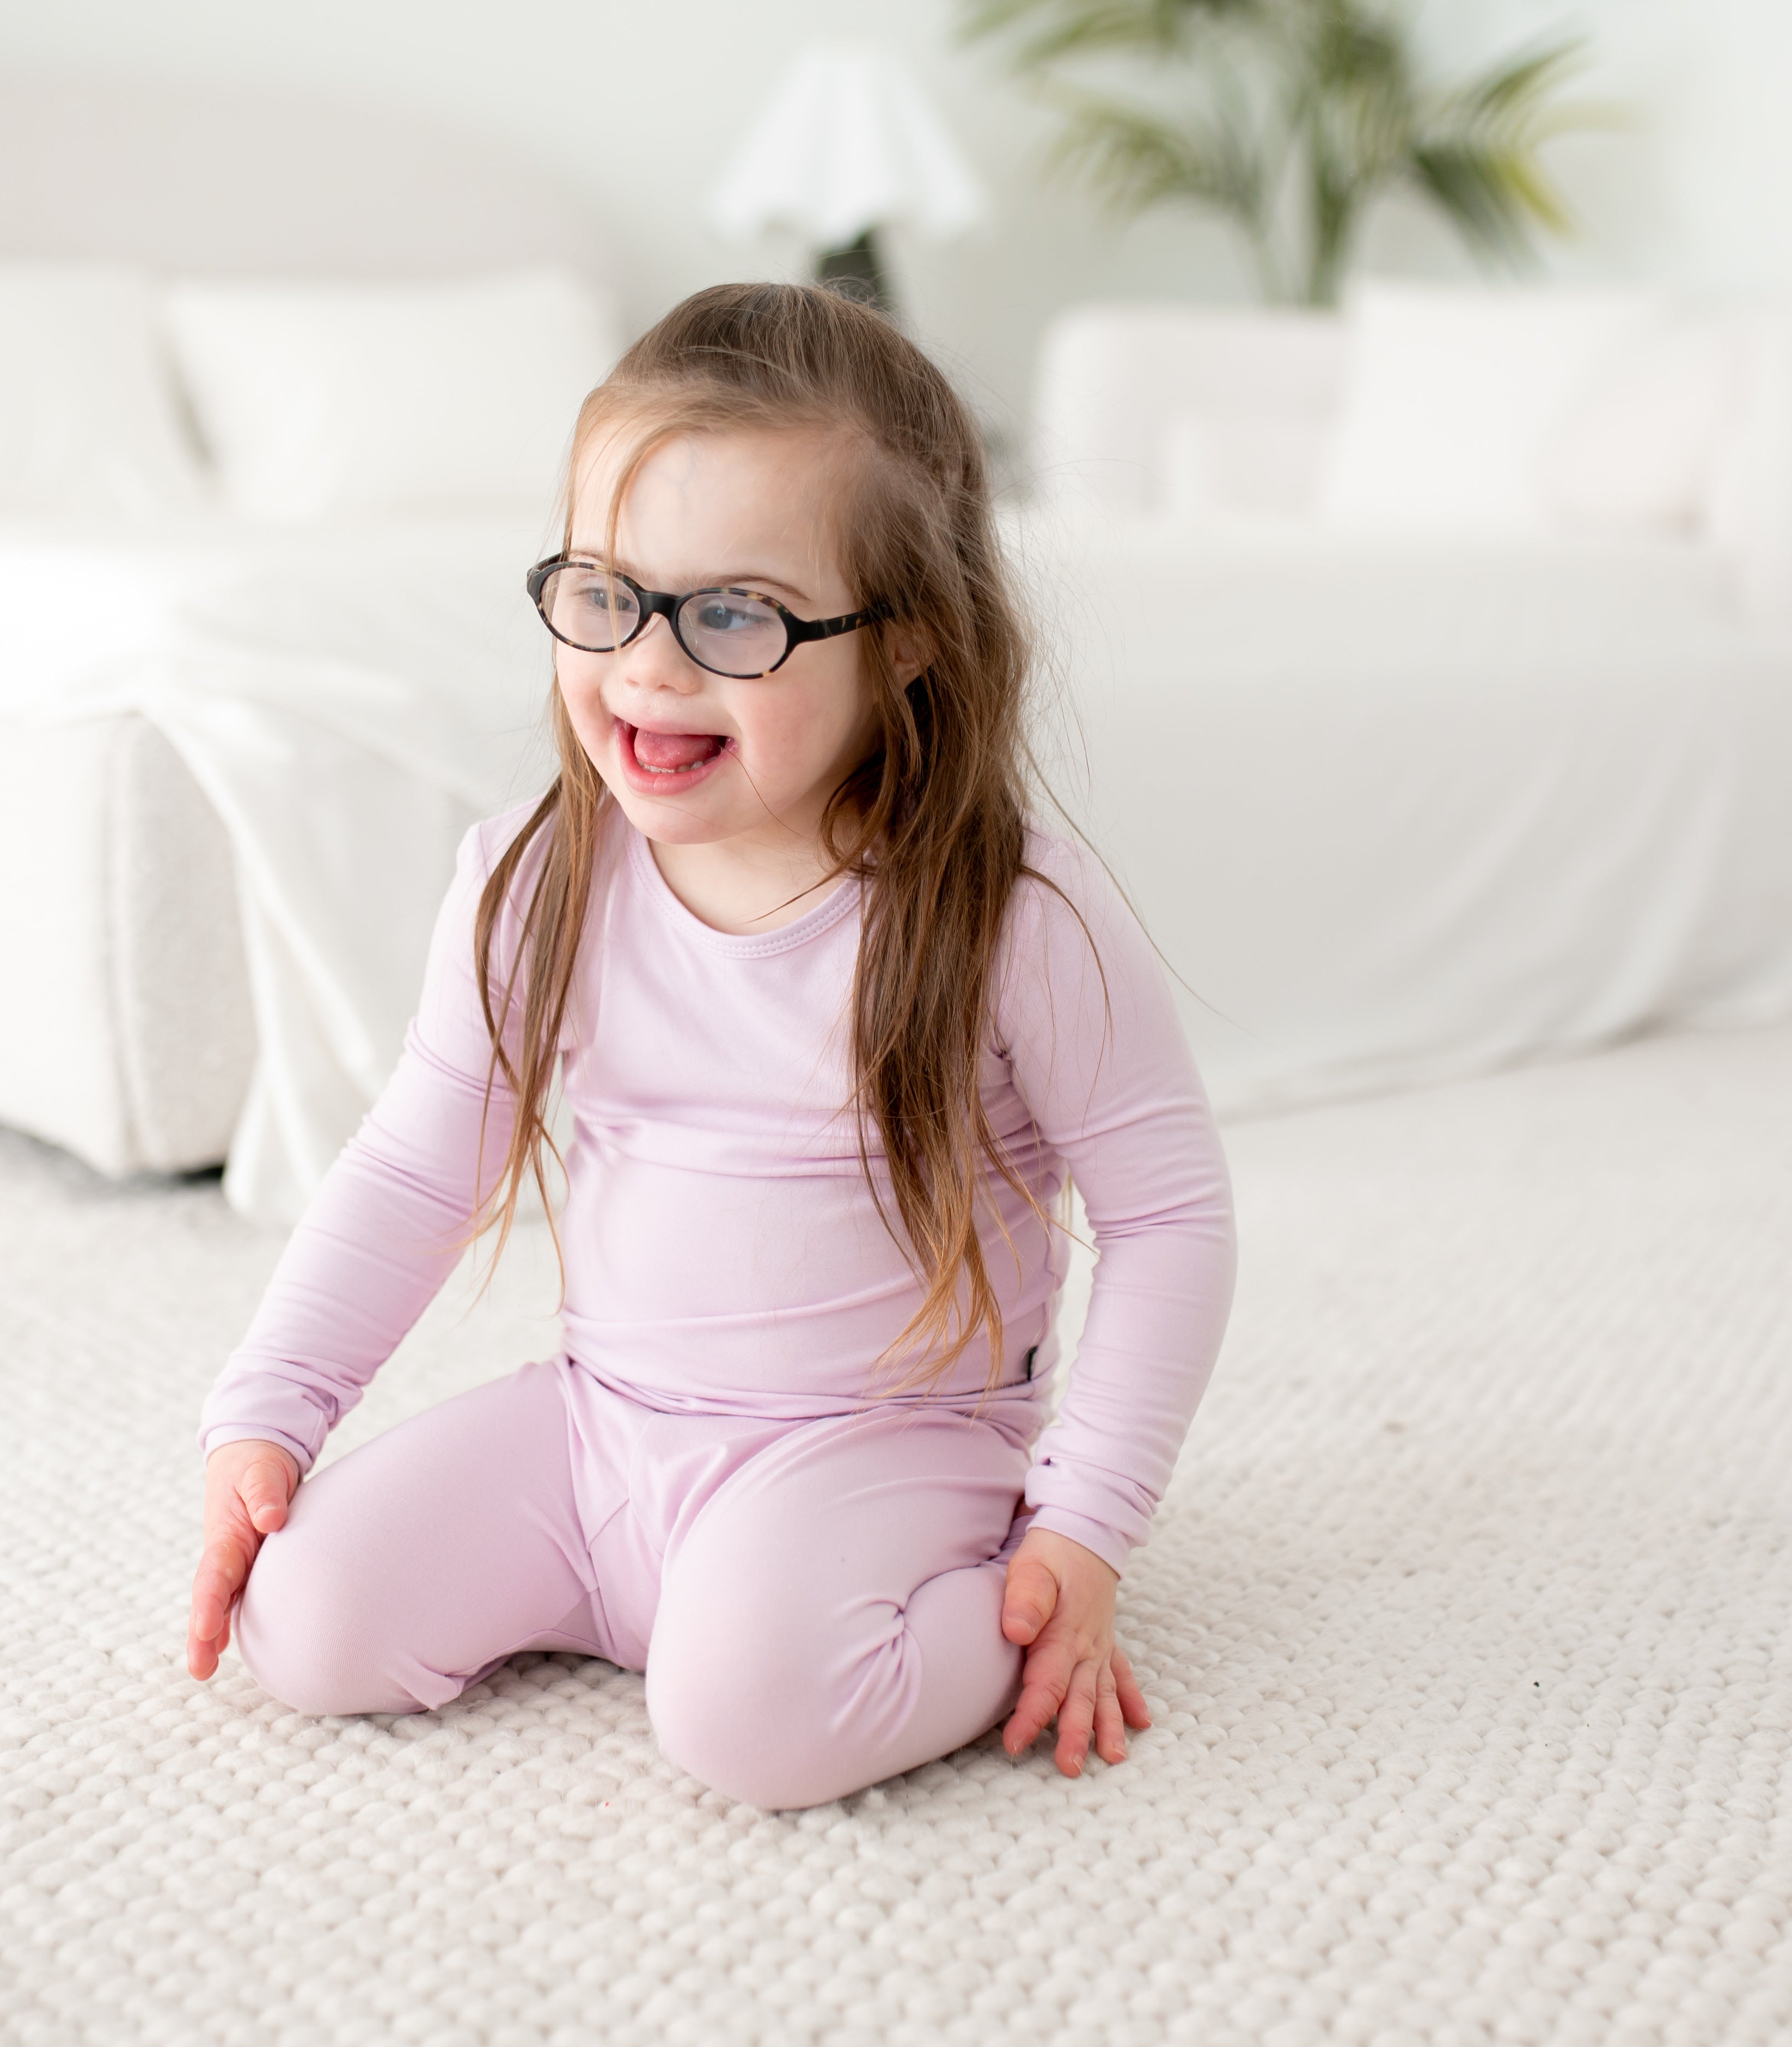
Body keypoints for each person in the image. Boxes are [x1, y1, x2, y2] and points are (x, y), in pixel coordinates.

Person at [185, 281, 1236, 1811]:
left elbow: (1170, 1219)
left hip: (881, 1449)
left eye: (735, 614)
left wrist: (1083, 1529)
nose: (649, 667)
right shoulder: (533, 880)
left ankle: (916, 1607)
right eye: (606, 593)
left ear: (913, 645)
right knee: (309, 1621)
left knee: (748, 1725)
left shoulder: (1009, 915)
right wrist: (269, 1408)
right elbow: (419, 1165)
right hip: (602, 1424)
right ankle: (671, 1600)